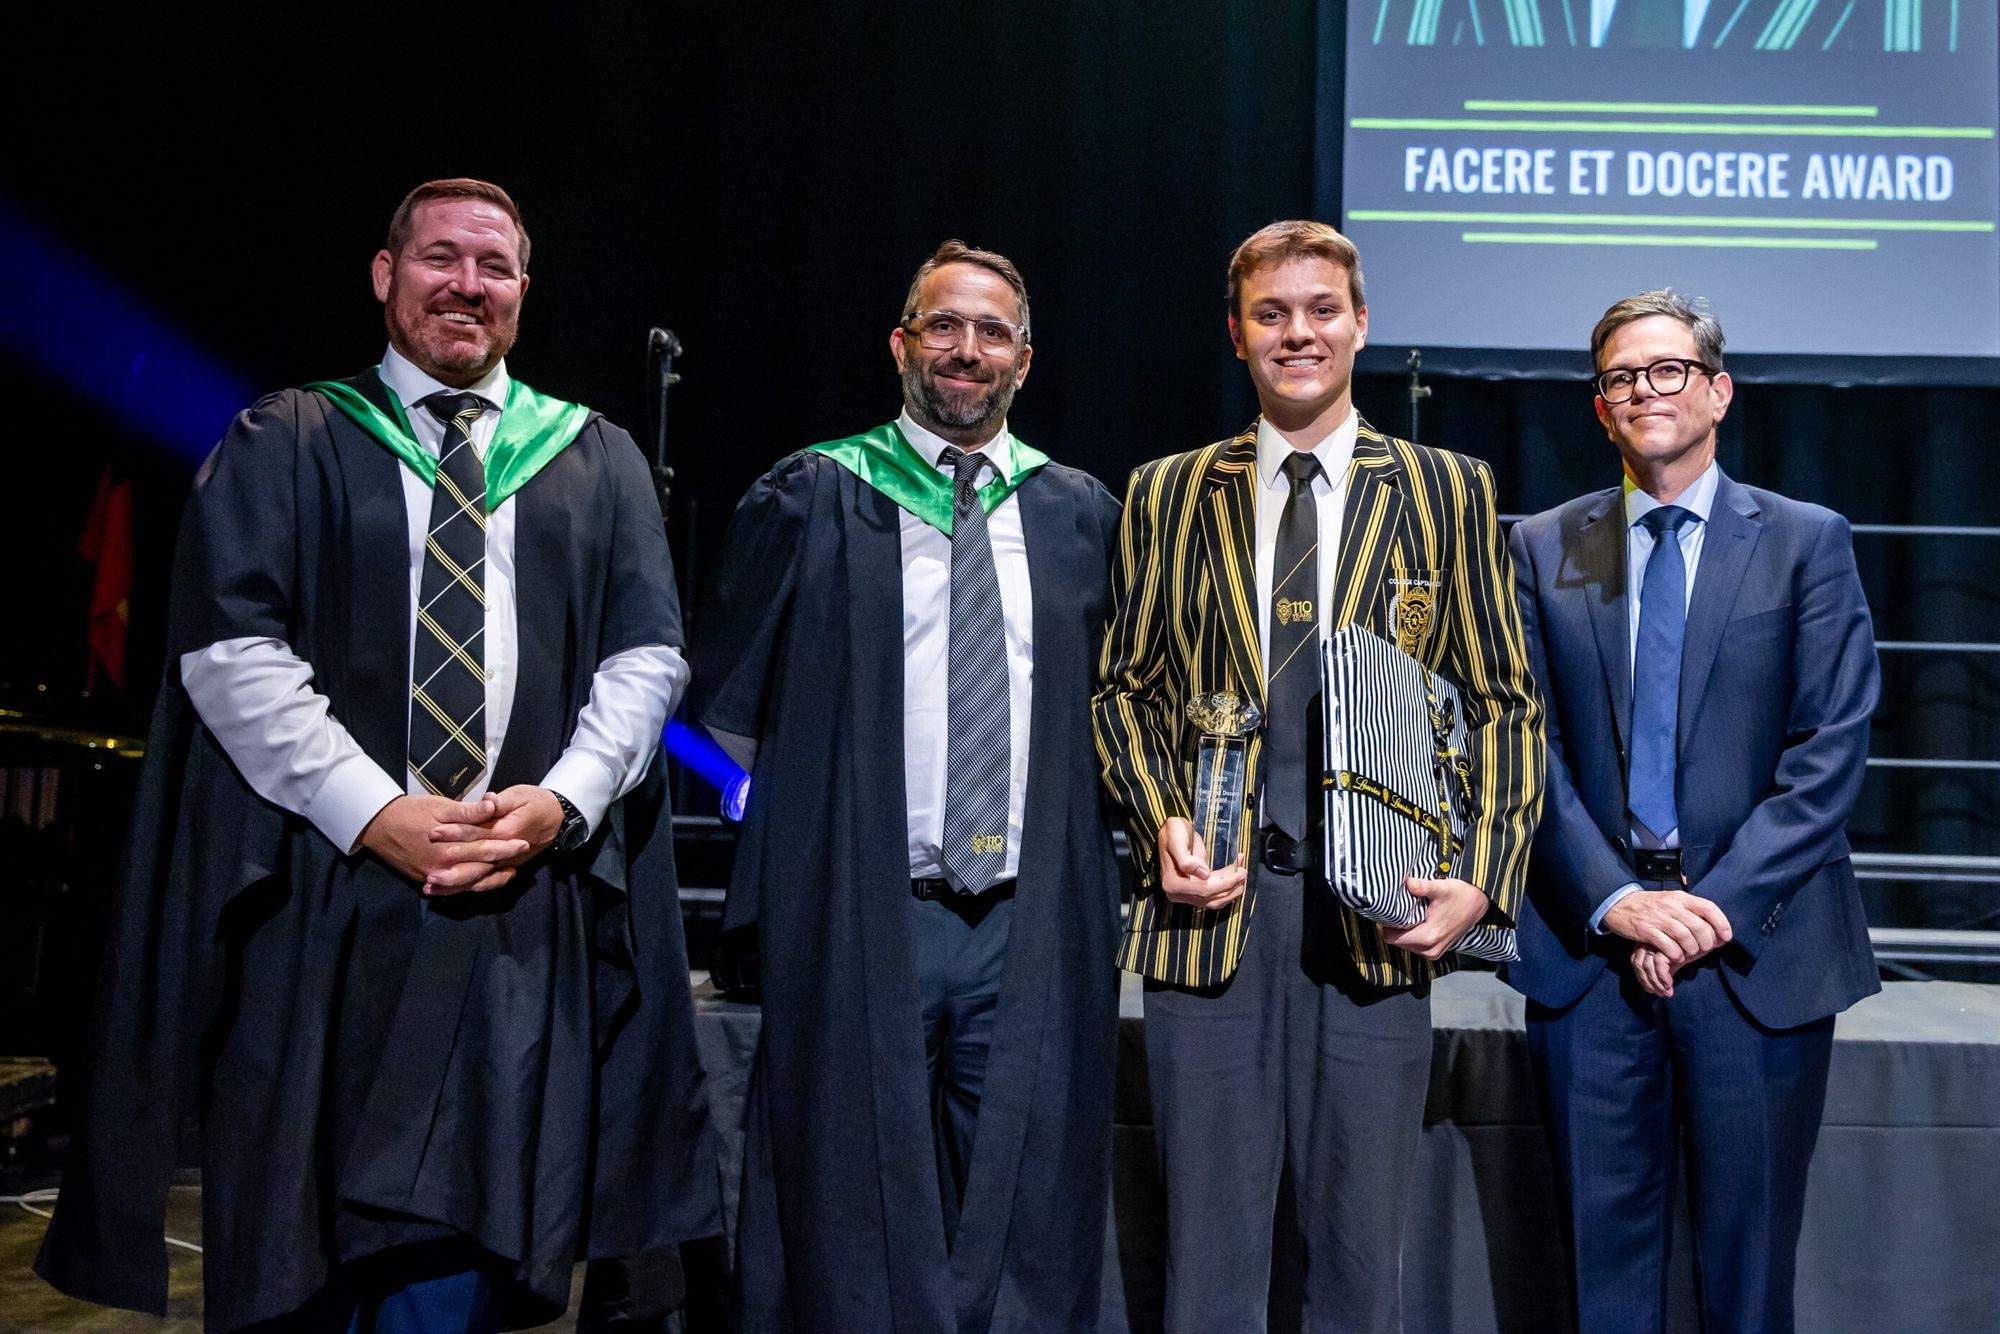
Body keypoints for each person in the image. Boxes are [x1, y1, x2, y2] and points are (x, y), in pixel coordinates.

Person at [37, 178, 718, 1330]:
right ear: (384, 274)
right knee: (295, 1235)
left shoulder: (591, 457)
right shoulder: (288, 438)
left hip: (512, 896)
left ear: (523, 290)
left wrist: (560, 802)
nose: (466, 284)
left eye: (493, 266)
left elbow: (645, 656)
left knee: (462, 1233)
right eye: (440, 257)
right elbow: (229, 650)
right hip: (322, 888)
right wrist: (371, 809)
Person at [1093, 219, 1544, 1332]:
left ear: (1361, 323)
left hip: (1378, 920)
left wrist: (1481, 880)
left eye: (1321, 309)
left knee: (1356, 1259)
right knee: (1207, 1264)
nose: (1297, 332)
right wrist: (1160, 819)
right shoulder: (1166, 491)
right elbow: (1122, 692)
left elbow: (1501, 700)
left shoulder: (1446, 489)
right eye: (1271, 313)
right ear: (1237, 333)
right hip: (1211, 916)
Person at [691, 240, 1125, 1331]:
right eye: (943, 325)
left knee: (1026, 1195)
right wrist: (790, 844)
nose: (965, 349)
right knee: (846, 1192)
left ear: (1024, 359)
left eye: (991, 332)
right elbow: (719, 715)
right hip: (860, 910)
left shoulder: (1080, 513)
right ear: (901, 343)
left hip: (1027, 922)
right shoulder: (811, 494)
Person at [1506, 290, 1880, 1333]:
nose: (1643, 390)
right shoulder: (1542, 545)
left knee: (1746, 1276)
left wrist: (1708, 911)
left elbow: (1829, 748)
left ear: (1717, 392)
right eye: (1619, 377)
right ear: (1599, 410)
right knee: (1601, 1278)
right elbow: (1523, 745)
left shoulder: (1804, 541)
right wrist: (1618, 900)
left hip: (1754, 953)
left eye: (1666, 369)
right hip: (1591, 952)